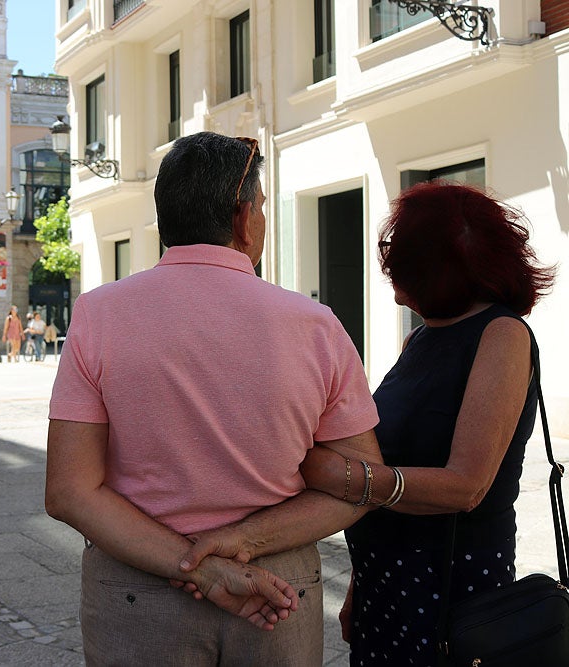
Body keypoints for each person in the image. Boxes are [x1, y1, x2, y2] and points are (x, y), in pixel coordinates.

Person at [46, 132, 384, 666]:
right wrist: (242, 543)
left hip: (139, 582)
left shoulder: (97, 315)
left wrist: (196, 561)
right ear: (244, 218)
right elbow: (360, 483)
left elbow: (69, 491)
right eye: (264, 209)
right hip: (277, 588)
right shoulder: (315, 326)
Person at [295, 182, 554, 666]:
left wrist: (342, 477)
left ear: (436, 266)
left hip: (451, 590)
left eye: (401, 255)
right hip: (384, 585)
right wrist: (356, 587)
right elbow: (390, 459)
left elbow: (466, 487)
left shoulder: (502, 334)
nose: (390, 266)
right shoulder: (419, 342)